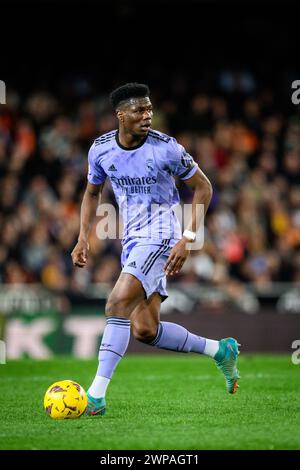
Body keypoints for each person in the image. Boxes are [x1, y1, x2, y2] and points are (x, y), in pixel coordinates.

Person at [71, 83, 240, 416]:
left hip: (162, 235)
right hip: (132, 239)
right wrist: (82, 236)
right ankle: (220, 350)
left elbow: (204, 188)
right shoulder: (101, 149)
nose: (147, 116)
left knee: (116, 303)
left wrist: (187, 238)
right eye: (139, 110)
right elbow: (92, 193)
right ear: (121, 115)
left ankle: (95, 397)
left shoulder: (167, 149)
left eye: (149, 109)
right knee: (145, 330)